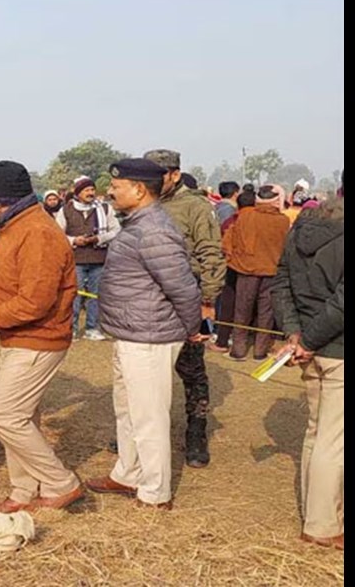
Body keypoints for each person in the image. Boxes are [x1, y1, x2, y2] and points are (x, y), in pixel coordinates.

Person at [0, 161, 83, 516]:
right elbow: (17, 283)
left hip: (38, 337)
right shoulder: (17, 225)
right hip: (20, 337)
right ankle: (23, 491)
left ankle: (60, 483)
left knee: (3, 415)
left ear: (1, 201)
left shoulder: (37, 232)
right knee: (21, 416)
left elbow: (34, 302)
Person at [86, 158, 202, 510]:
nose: (110, 192)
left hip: (150, 337)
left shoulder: (154, 231)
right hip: (131, 334)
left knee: (149, 417)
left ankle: (155, 491)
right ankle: (128, 474)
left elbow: (183, 288)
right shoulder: (138, 223)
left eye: (116, 187)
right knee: (128, 410)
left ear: (138, 190)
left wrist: (192, 328)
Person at [272, 187, 344, 550]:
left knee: (318, 433)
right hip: (333, 347)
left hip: (310, 345)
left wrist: (295, 333)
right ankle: (323, 524)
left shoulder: (302, 225)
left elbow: (282, 282)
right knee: (334, 441)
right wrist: (308, 339)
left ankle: (318, 514)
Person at [144, 148, 225, 468]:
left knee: (191, 370)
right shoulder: (144, 203)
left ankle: (196, 431)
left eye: (157, 176)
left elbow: (211, 254)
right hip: (147, 300)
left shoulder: (195, 206)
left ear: (174, 175)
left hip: (185, 299)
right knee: (147, 371)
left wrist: (207, 301)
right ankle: (144, 432)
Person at [222, 185, 291, 361]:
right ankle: (260, 351)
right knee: (266, 313)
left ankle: (238, 350)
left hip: (246, 270)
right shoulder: (283, 221)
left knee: (242, 311)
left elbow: (230, 240)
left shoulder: (245, 216)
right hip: (272, 272)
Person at [55, 176, 120, 341]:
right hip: (75, 260)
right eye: (86, 190)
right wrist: (74, 240)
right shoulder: (66, 210)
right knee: (74, 295)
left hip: (99, 259)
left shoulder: (105, 209)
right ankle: (72, 329)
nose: (91, 193)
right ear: (78, 193)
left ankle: (93, 328)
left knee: (96, 295)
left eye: (92, 190)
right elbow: (57, 235)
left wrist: (98, 238)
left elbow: (116, 230)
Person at [209, 190, 257, 353]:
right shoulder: (261, 222)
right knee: (250, 305)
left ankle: (223, 340)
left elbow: (223, 244)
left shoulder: (231, 221)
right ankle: (253, 344)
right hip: (256, 269)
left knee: (228, 304)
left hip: (232, 266)